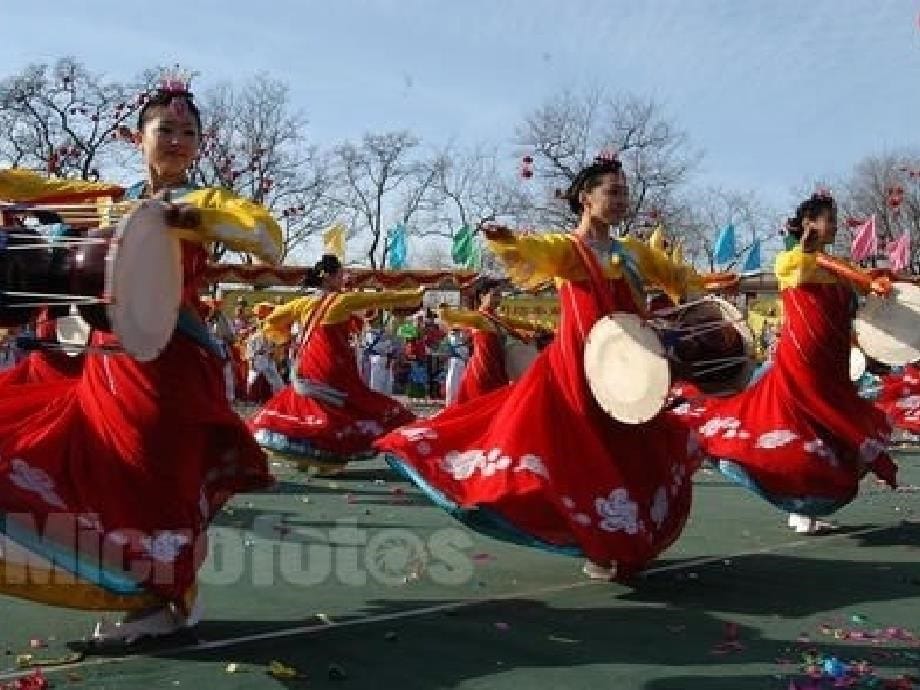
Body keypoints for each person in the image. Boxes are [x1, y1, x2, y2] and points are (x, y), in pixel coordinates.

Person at [0, 75, 281, 643]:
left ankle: (168, 602)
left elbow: (265, 236)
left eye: (188, 132)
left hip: (173, 364)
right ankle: (143, 599)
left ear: (200, 144)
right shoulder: (107, 201)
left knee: (158, 481)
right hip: (105, 363)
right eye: (165, 130)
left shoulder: (205, 201)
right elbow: (28, 184)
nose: (176, 140)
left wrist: (196, 222)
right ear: (138, 137)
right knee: (99, 471)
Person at [376, 155, 732, 581]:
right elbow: (532, 250)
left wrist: (701, 308)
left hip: (634, 374)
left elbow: (677, 276)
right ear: (585, 197)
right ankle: (602, 546)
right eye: (611, 191)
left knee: (638, 454)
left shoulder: (634, 253)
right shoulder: (568, 251)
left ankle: (622, 542)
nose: (621, 200)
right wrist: (510, 242)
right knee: (580, 456)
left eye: (624, 193)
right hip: (578, 374)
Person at [672, 192, 898, 534]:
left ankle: (805, 507)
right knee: (806, 426)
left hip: (833, 360)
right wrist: (807, 250)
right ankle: (794, 503)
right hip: (804, 358)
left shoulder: (837, 266)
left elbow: (862, 288)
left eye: (835, 220)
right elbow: (798, 269)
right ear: (808, 224)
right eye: (828, 219)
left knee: (828, 435)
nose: (833, 226)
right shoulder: (792, 260)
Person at [249, 255, 424, 468]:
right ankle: (327, 451)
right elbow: (381, 299)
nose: (343, 279)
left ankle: (311, 454)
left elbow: (272, 319)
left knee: (312, 405)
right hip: (331, 365)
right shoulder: (342, 300)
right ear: (329, 278)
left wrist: (284, 337)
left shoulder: (303, 303)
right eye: (340, 274)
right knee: (355, 404)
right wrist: (415, 294)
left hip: (307, 364)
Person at [438, 279, 549, 405]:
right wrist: (443, 309)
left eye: (499, 295)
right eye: (494, 295)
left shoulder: (499, 319)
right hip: (482, 372)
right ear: (482, 296)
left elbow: (525, 324)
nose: (498, 299)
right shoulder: (478, 317)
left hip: (498, 370)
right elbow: (450, 317)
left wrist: (542, 328)